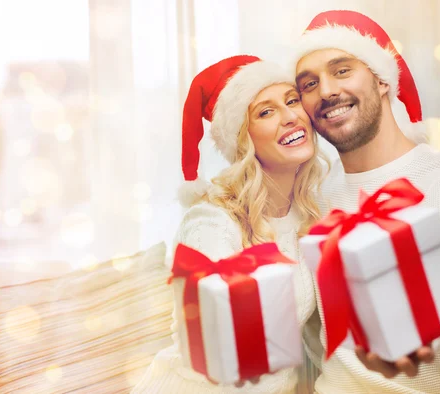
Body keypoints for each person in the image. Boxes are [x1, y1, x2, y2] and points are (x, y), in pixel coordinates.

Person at [292, 10, 440, 394]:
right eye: (309, 84)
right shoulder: (316, 195)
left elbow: (435, 319)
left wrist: (405, 341)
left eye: (341, 70)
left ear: (383, 80)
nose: (326, 91)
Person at [132, 55, 327, 394]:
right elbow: (207, 350)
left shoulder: (308, 214)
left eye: (291, 101)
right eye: (266, 112)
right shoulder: (211, 223)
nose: (290, 117)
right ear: (243, 140)